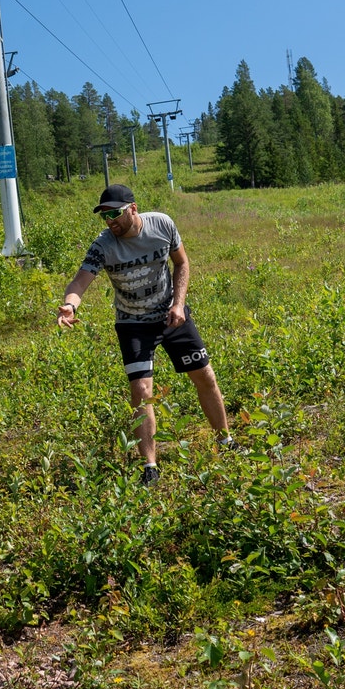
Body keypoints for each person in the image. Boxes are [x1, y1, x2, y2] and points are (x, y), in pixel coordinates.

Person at [56, 184, 234, 485]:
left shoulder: (162, 224)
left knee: (205, 376)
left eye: (115, 213)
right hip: (132, 323)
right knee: (141, 393)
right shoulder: (103, 245)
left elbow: (182, 263)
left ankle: (225, 441)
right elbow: (80, 281)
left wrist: (178, 305)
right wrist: (69, 305)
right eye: (105, 216)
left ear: (133, 208)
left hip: (171, 315)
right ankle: (150, 467)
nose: (110, 220)